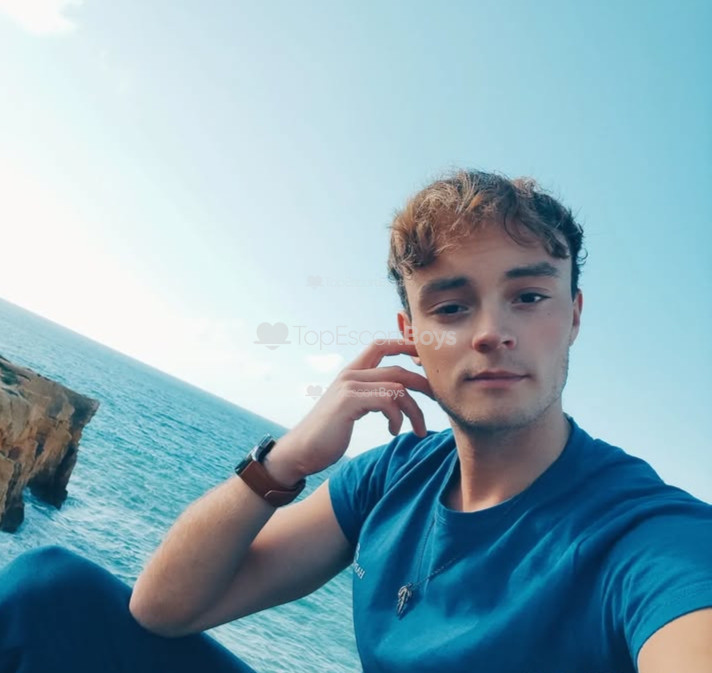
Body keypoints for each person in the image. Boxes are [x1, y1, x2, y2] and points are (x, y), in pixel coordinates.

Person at [1, 170, 710, 673]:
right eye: (451, 307)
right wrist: (283, 462)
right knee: (50, 592)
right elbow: (162, 608)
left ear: (574, 315)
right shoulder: (393, 477)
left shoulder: (648, 534)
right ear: (411, 335)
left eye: (528, 296)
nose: (491, 332)